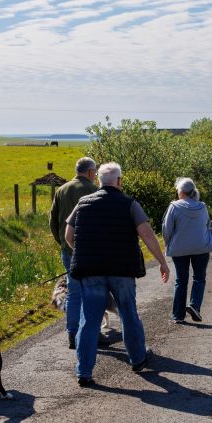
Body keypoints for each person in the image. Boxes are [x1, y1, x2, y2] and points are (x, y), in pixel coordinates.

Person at [65, 162, 170, 384]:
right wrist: (162, 262)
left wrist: (83, 252)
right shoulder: (129, 204)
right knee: (128, 314)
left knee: (89, 320)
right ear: (119, 181)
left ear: (99, 182)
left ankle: (84, 372)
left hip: (90, 271)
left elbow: (68, 235)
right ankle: (138, 359)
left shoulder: (83, 203)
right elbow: (148, 236)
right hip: (121, 270)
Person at [162, 178, 212, 323]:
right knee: (199, 278)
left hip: (179, 248)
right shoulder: (202, 206)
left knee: (181, 280)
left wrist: (168, 245)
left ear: (181, 191)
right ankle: (194, 306)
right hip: (201, 247)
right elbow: (207, 225)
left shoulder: (174, 206)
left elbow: (167, 229)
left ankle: (178, 316)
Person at [49, 157, 98, 350]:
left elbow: (52, 221)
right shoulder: (94, 191)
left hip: (67, 250)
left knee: (74, 291)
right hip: (90, 250)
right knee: (92, 291)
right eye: (94, 172)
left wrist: (62, 241)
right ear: (90, 172)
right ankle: (91, 332)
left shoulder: (62, 190)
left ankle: (72, 332)